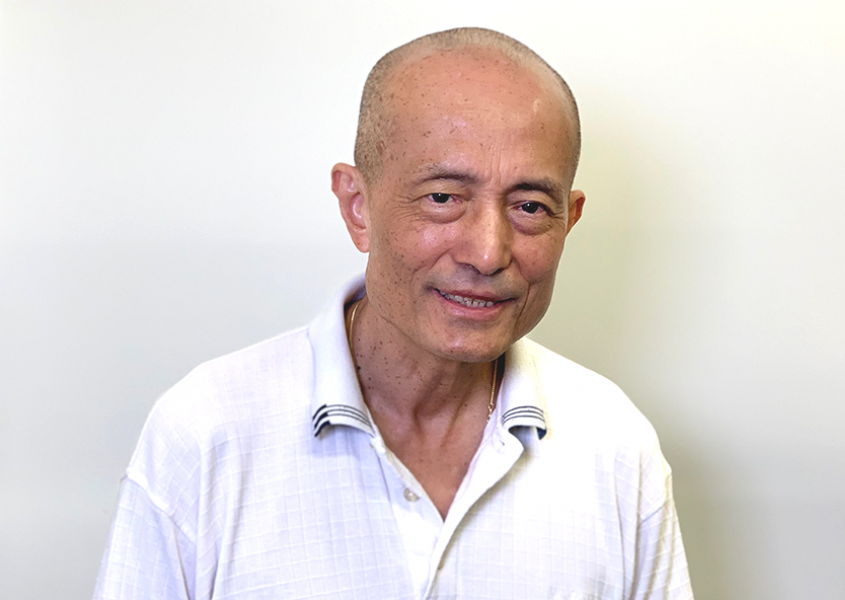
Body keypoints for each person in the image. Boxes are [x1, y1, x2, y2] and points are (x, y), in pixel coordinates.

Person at [94, 27, 693, 600]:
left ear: (571, 218)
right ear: (357, 206)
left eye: (531, 206)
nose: (488, 252)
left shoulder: (615, 446)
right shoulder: (207, 436)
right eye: (443, 198)